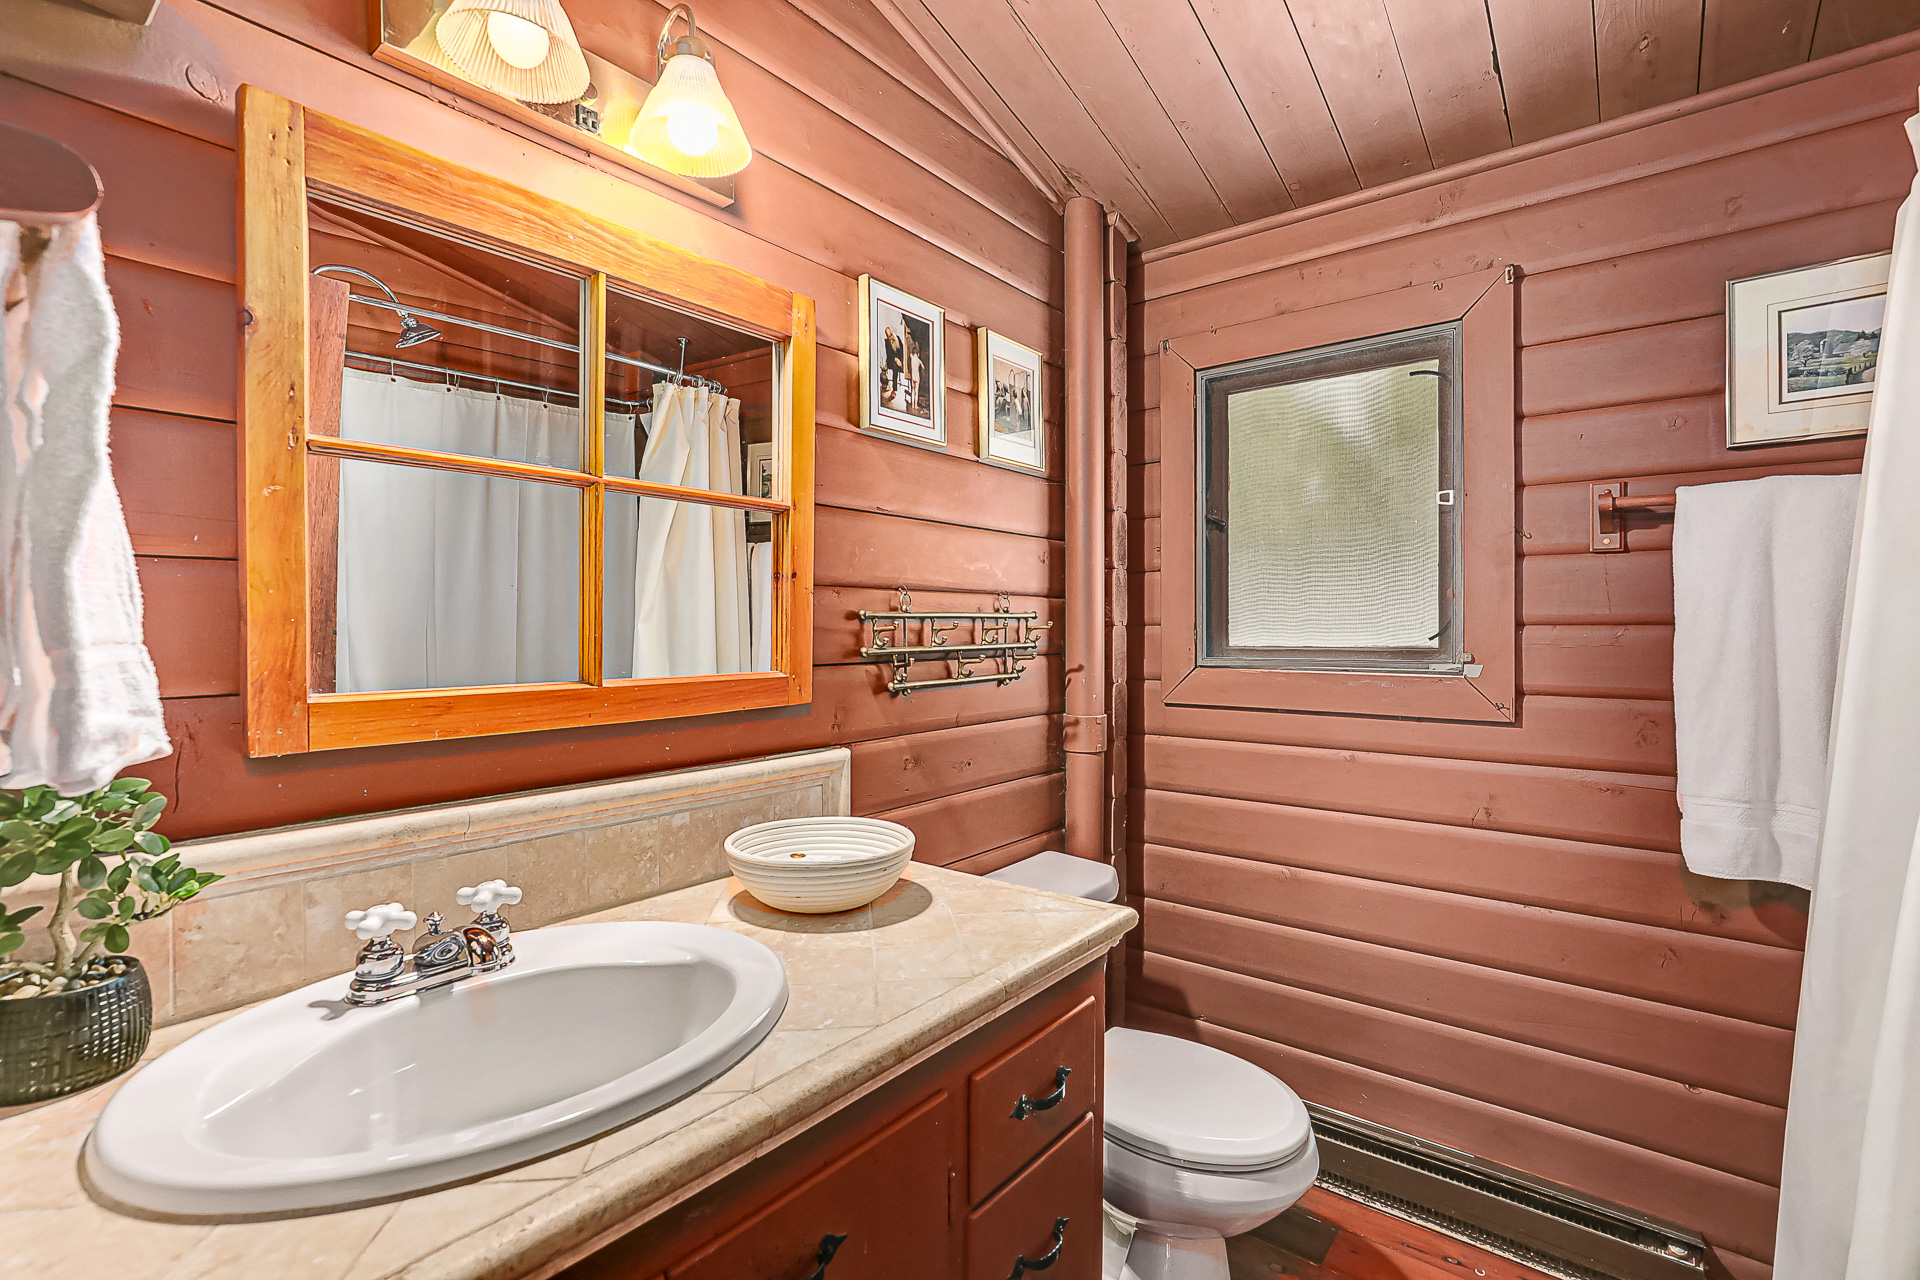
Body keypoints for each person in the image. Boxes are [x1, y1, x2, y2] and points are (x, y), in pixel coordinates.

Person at [883, 326, 904, 404]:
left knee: (900, 366)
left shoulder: (897, 339)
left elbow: (901, 351)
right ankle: (894, 390)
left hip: (899, 359)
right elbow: (889, 354)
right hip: (891, 360)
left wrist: (900, 360)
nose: (890, 337)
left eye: (891, 335)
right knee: (895, 368)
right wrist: (896, 359)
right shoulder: (887, 342)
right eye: (888, 336)